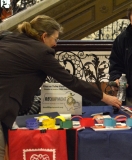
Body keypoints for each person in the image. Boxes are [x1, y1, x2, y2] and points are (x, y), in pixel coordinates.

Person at [0, 15, 121, 158]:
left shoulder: (10, 39)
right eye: (55, 39)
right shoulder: (40, 52)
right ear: (44, 36)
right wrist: (105, 97)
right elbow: (71, 81)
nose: (56, 44)